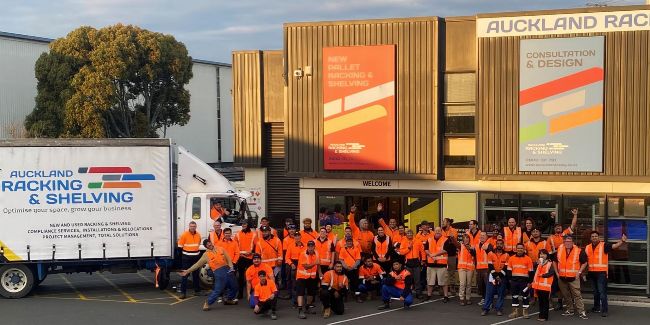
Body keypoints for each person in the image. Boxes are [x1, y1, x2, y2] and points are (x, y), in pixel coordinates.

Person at [179, 239, 238, 310]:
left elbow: (228, 258)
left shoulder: (221, 249)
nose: (209, 244)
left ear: (211, 242)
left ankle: (229, 299)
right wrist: (187, 271)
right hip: (218, 272)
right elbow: (197, 264)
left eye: (209, 243)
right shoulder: (206, 255)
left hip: (227, 269)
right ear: (206, 247)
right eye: (207, 244)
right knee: (218, 290)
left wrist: (231, 267)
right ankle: (207, 303)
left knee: (234, 286)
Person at [585, 231, 626, 317]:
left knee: (602, 292)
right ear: (590, 238)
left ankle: (604, 310)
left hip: (601, 273)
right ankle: (596, 307)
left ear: (599, 237)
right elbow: (585, 261)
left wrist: (621, 241)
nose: (594, 237)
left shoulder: (604, 245)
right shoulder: (587, 247)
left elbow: (614, 246)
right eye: (592, 236)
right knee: (595, 292)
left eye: (596, 236)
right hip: (592, 273)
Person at [553, 235, 588, 319]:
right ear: (564, 242)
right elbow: (554, 261)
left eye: (570, 241)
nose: (568, 243)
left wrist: (579, 272)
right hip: (562, 277)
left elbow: (585, 262)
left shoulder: (578, 250)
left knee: (577, 295)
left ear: (573, 242)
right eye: (566, 241)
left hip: (573, 277)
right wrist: (557, 273)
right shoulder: (559, 249)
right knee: (566, 295)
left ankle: (581, 311)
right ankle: (570, 310)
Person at [424, 227, 456, 302]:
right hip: (431, 264)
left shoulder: (446, 239)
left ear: (441, 232)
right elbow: (426, 249)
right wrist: (431, 255)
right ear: (434, 232)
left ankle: (446, 296)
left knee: (444, 281)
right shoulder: (429, 239)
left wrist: (434, 254)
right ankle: (429, 295)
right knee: (430, 281)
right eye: (436, 230)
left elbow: (445, 250)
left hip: (442, 264)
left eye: (439, 230)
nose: (437, 232)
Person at [482, 239, 509, 316]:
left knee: (501, 294)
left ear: (503, 245)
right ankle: (485, 309)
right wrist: (496, 276)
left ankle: (499, 309)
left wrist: (499, 276)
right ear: (496, 245)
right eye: (498, 244)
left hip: (502, 276)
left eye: (501, 244)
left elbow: (506, 268)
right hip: (492, 276)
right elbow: (490, 266)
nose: (499, 245)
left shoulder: (506, 255)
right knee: (489, 293)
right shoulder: (490, 253)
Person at [507, 243, 534, 319]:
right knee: (514, 296)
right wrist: (510, 280)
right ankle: (515, 312)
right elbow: (509, 271)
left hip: (524, 282)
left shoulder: (528, 259)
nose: (520, 249)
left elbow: (531, 272)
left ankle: (525, 312)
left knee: (525, 297)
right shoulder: (511, 258)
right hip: (514, 281)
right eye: (518, 248)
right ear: (516, 249)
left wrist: (529, 282)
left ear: (524, 249)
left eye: (521, 248)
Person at [177, 221, 203, 299]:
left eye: (194, 226)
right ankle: (183, 293)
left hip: (196, 258)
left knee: (196, 275)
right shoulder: (184, 235)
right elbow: (179, 247)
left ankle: (197, 291)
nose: (193, 227)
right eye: (191, 226)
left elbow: (197, 245)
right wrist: (183, 256)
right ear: (189, 226)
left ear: (196, 227)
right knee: (185, 275)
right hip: (186, 258)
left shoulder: (198, 235)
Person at [296, 240, 320, 319]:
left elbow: (318, 263)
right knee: (301, 293)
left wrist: (320, 273)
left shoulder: (316, 253)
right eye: (309, 246)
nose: (310, 248)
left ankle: (307, 308)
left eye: (312, 246)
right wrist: (315, 263)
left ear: (314, 247)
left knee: (311, 293)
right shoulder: (303, 254)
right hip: (302, 276)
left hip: (312, 276)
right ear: (307, 247)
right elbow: (306, 266)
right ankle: (300, 310)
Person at [398, 229, 425, 299]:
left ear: (413, 234)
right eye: (408, 233)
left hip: (416, 262)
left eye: (410, 233)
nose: (409, 234)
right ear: (406, 234)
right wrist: (408, 248)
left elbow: (422, 251)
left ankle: (418, 293)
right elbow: (401, 252)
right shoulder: (403, 242)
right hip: (408, 263)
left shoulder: (418, 241)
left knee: (417, 280)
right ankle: (408, 293)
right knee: (408, 280)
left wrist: (423, 260)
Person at [236, 219, 257, 299]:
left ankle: (252, 293)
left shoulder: (253, 234)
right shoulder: (238, 234)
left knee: (251, 277)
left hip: (250, 258)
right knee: (241, 277)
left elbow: (256, 246)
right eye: (242, 224)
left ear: (248, 225)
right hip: (241, 258)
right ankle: (240, 294)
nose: (243, 225)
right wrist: (239, 254)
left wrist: (252, 253)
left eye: (245, 224)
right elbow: (235, 246)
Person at [532, 249, 555, 322]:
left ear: (547, 255)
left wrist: (542, 275)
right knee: (540, 302)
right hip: (538, 286)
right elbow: (532, 268)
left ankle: (545, 316)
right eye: (541, 254)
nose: (542, 255)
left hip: (545, 286)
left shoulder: (550, 263)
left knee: (545, 302)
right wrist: (536, 263)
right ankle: (541, 315)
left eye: (544, 254)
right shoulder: (539, 263)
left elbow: (551, 273)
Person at [285, 232, 306, 303]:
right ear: (294, 237)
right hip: (293, 263)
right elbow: (287, 258)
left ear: (301, 237)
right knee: (294, 282)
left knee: (301, 282)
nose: (297, 238)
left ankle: (302, 298)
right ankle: (295, 300)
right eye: (295, 236)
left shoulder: (305, 246)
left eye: (298, 236)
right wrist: (291, 264)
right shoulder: (290, 246)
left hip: (302, 264)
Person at [457, 233, 476, 306]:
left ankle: (468, 298)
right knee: (462, 283)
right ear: (463, 240)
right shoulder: (460, 246)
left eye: (467, 238)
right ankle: (461, 298)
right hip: (462, 267)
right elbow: (455, 243)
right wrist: (452, 237)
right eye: (465, 238)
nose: (466, 239)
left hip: (470, 267)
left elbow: (474, 255)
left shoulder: (472, 247)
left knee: (469, 284)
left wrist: (470, 249)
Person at [442, 218, 459, 294]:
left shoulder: (454, 231)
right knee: (442, 272)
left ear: (448, 223)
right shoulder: (441, 230)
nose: (442, 223)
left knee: (451, 272)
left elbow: (452, 241)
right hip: (442, 255)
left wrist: (447, 238)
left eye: (444, 222)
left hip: (451, 254)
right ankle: (442, 288)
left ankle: (452, 287)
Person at [475, 232, 491, 307]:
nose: (481, 237)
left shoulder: (489, 245)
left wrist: (487, 250)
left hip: (486, 269)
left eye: (483, 236)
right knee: (481, 286)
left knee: (488, 286)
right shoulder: (477, 245)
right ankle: (484, 299)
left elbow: (491, 254)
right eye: (481, 236)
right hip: (479, 269)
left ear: (487, 237)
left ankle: (489, 301)